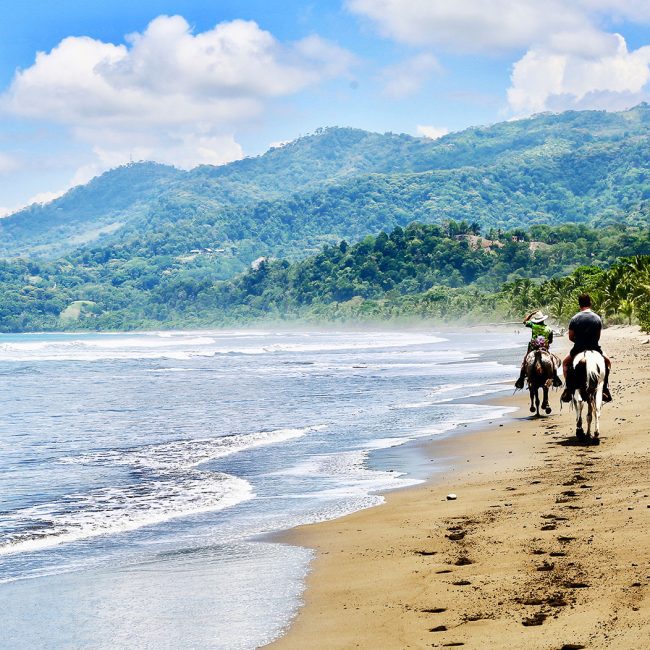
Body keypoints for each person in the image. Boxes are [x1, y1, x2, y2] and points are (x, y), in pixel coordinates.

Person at [560, 293, 612, 403]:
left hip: (578, 348)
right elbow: (598, 337)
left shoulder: (575, 318)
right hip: (594, 348)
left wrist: (579, 341)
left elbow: (570, 337)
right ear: (590, 303)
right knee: (607, 363)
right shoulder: (597, 318)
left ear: (579, 304)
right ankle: (605, 389)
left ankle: (568, 389)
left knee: (564, 363)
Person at [514, 310, 562, 390]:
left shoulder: (533, 325)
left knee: (524, 362)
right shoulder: (549, 329)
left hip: (532, 348)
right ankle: (555, 378)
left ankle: (521, 379)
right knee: (553, 361)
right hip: (544, 348)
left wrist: (531, 314)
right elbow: (550, 341)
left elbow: (524, 321)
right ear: (543, 319)